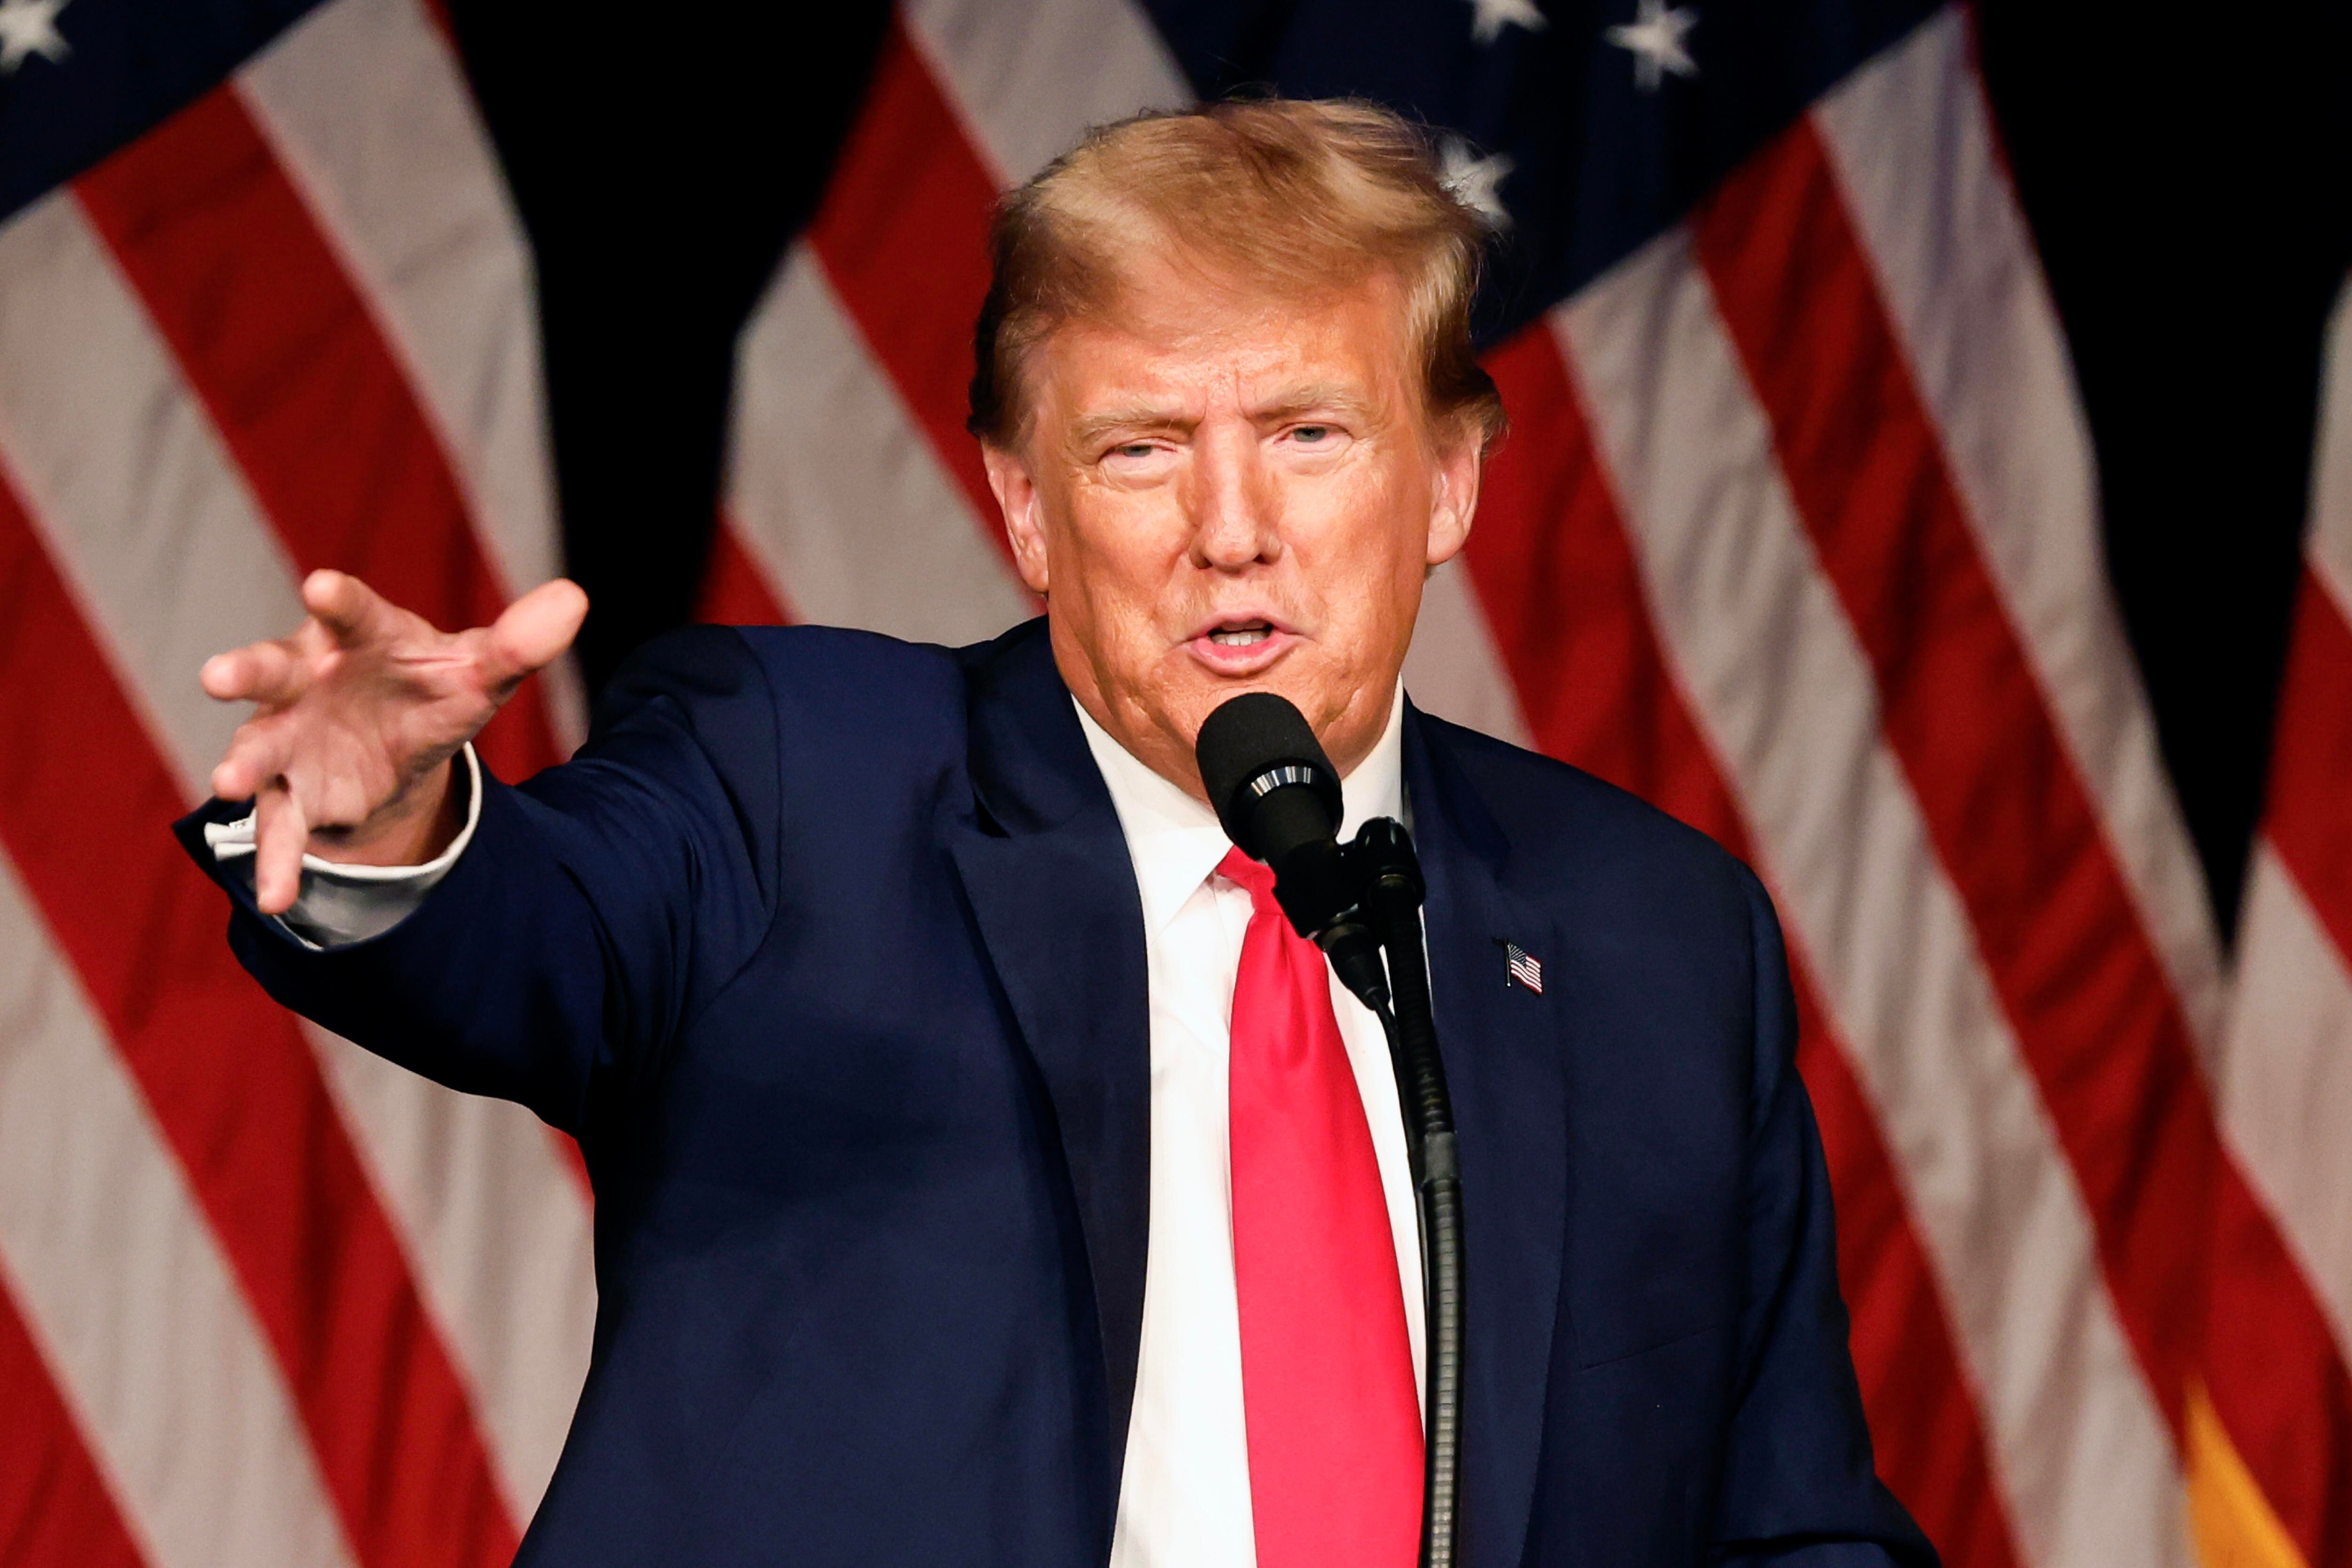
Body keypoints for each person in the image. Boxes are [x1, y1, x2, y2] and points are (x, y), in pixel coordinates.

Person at [180, 100, 1935, 1568]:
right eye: (1142, 450)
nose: (1230, 528)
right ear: (1026, 506)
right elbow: (533, 943)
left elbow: (1785, 1527)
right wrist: (404, 817)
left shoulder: (1649, 931)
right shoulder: (805, 781)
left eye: (1312, 435)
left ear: (1452, 481)